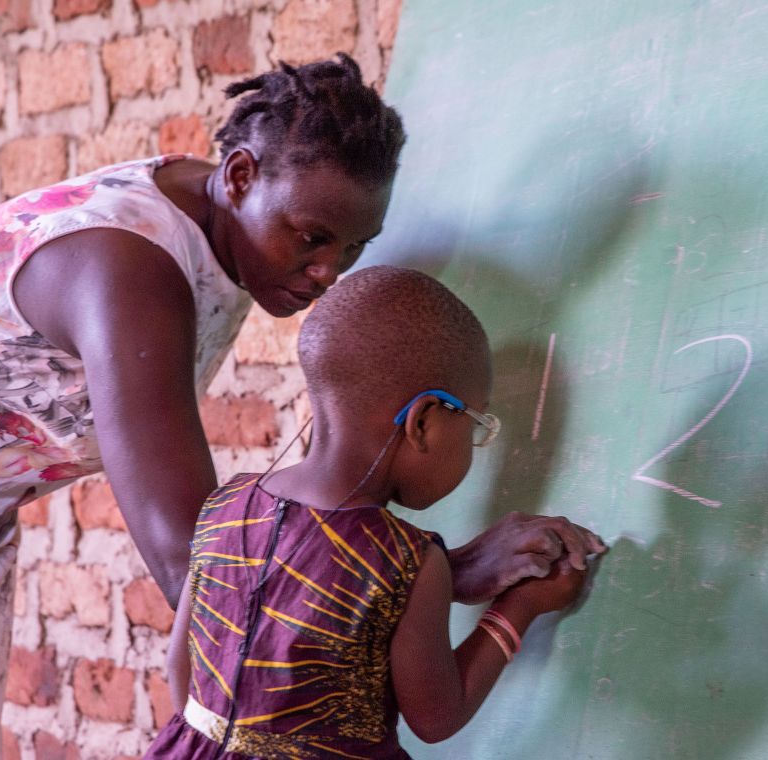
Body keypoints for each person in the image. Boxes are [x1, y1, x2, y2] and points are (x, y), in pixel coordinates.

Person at [0, 54, 603, 757]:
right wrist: (421, 587)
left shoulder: (220, 219)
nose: (327, 272)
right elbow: (208, 572)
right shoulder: (129, 274)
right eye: (311, 238)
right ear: (241, 175)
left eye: (353, 248)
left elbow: (210, 604)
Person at [145, 265, 598, 758]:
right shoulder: (404, 561)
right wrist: (521, 606)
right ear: (423, 422)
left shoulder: (226, 506)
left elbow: (180, 672)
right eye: (475, 424)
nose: (474, 444)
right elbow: (437, 716)